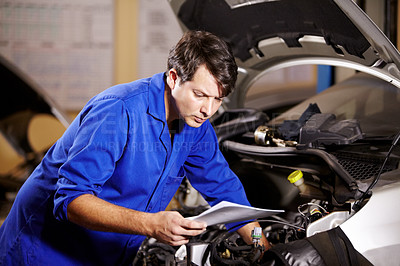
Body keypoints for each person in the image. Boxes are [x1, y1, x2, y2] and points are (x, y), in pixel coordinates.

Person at [0, 30, 269, 265]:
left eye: (217, 99)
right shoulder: (118, 110)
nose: (208, 109)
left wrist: (263, 248)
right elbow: (71, 201)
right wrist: (152, 224)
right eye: (200, 95)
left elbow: (227, 193)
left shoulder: (196, 127)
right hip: (44, 250)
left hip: (111, 252)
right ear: (174, 78)